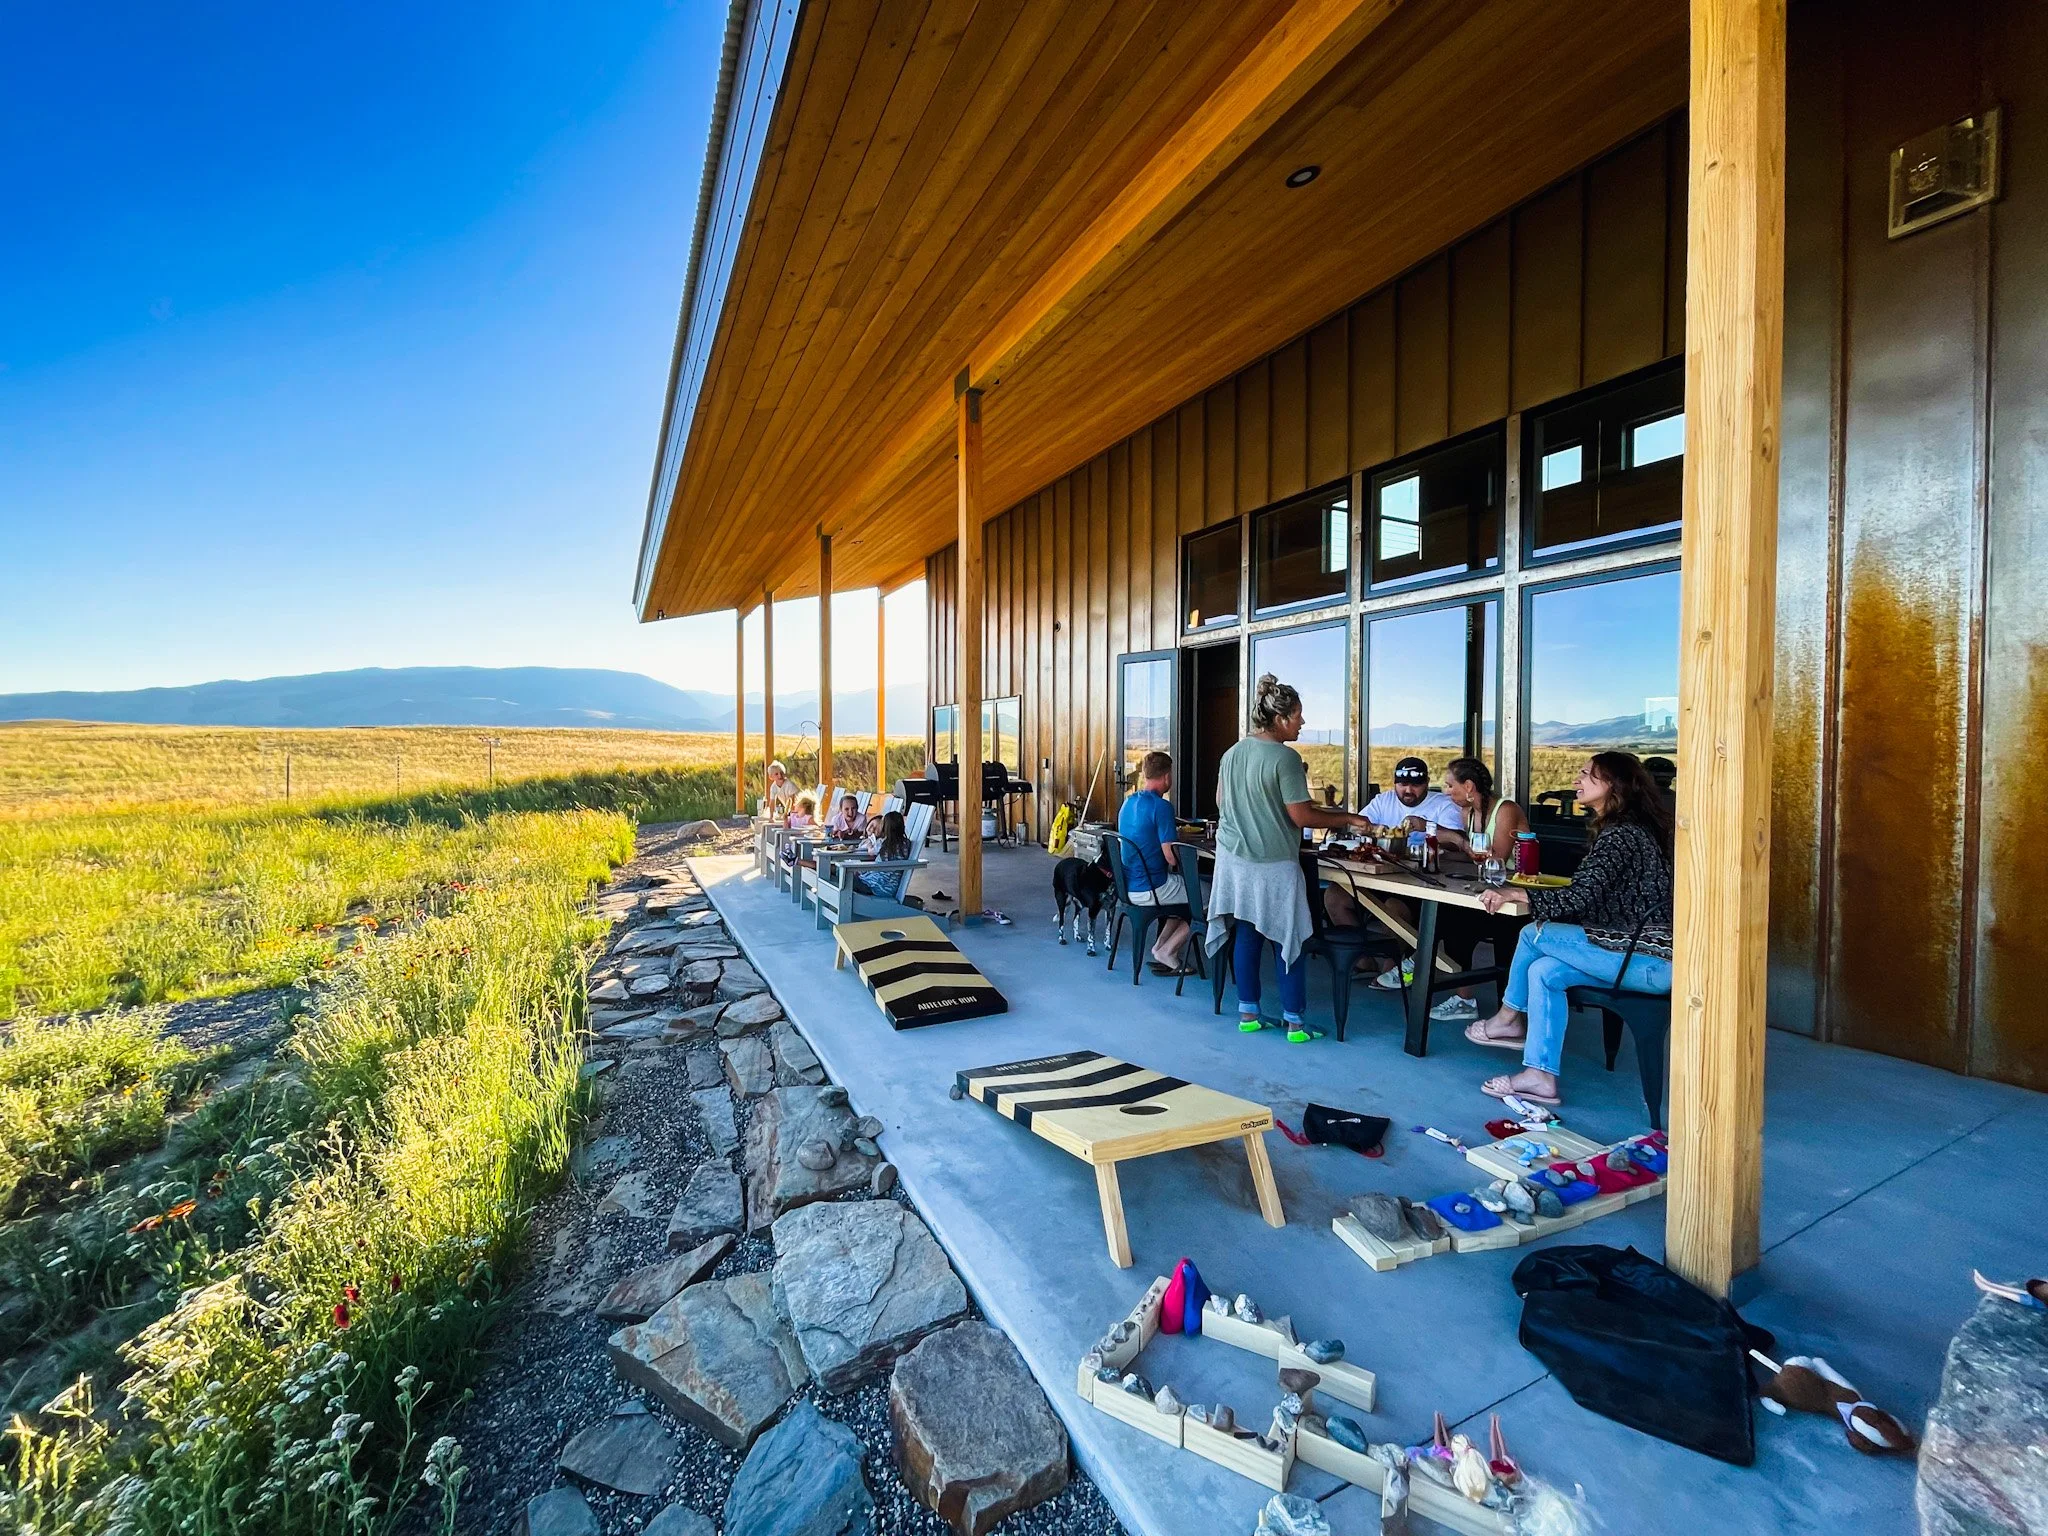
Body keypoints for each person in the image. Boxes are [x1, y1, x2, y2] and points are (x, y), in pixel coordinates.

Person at [1464, 751, 1674, 1105]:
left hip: (1648, 960)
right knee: (1545, 971)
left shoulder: (1622, 835)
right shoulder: (1628, 830)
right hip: (1631, 954)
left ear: (1614, 785)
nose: (1577, 780)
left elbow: (1580, 898)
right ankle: (1540, 1076)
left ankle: (1508, 1017)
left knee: (1533, 933)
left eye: (1587, 775)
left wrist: (1519, 895)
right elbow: (1591, 898)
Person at [1205, 674, 1370, 1042]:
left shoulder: (1232, 753)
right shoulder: (1285, 758)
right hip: (1273, 863)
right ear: (1280, 719)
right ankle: (1295, 1023)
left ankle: (1249, 1013)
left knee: (1247, 932)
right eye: (1298, 715)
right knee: (1288, 938)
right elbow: (1302, 817)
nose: (1302, 722)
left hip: (1234, 860)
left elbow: (1220, 801)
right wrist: (1348, 817)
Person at [1425, 757, 1530, 1024]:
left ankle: (1507, 1012)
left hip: (1518, 899)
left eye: (1450, 786)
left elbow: (1496, 859)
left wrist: (1455, 841)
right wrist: (1455, 840)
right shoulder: (1468, 812)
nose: (1446, 792)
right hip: (1492, 893)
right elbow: (1475, 856)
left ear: (1469, 786)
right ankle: (1463, 998)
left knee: (1470, 926)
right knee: (1451, 919)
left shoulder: (1505, 810)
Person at [1116, 750, 1193, 973]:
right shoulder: (1162, 807)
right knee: (1210, 898)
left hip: (1128, 885)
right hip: (1152, 887)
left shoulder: (1127, 803)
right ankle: (1167, 950)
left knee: (1186, 895)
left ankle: (1162, 947)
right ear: (1167, 777)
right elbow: (1170, 856)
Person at [852, 809, 914, 899]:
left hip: (874, 886)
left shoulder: (883, 843)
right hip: (889, 887)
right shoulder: (906, 843)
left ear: (885, 827)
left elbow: (871, 852)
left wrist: (869, 844)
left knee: (843, 876)